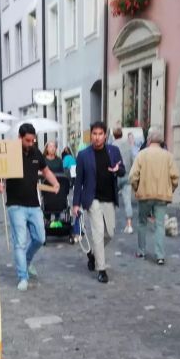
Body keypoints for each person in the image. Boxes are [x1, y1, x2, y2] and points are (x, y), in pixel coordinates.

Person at [0, 123, 59, 291]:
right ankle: (23, 276)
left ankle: (27, 260)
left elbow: (45, 171)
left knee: (40, 238)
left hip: (33, 204)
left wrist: (55, 182)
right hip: (15, 205)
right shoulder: (11, 152)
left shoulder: (37, 152)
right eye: (28, 140)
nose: (31, 143)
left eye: (33, 140)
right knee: (20, 242)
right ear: (20, 138)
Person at [72, 121, 127, 284]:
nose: (97, 137)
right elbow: (78, 181)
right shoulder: (83, 155)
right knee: (97, 232)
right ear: (91, 136)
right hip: (92, 198)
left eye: (100, 134)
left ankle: (94, 255)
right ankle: (101, 269)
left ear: (105, 135)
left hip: (109, 197)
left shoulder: (113, 151)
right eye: (94, 134)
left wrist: (118, 170)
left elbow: (122, 169)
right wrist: (76, 204)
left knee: (109, 233)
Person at [129, 127, 179, 265]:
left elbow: (133, 176)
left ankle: (141, 250)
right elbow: (175, 177)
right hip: (162, 195)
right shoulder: (168, 156)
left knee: (142, 222)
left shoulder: (142, 155)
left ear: (149, 139)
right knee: (160, 225)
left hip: (144, 194)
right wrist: (170, 189)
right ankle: (160, 255)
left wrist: (136, 188)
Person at [112, 127, 134, 234]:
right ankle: (129, 225)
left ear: (113, 135)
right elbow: (132, 159)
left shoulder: (112, 146)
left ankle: (111, 224)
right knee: (127, 201)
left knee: (111, 201)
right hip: (126, 175)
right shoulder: (128, 145)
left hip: (115, 176)